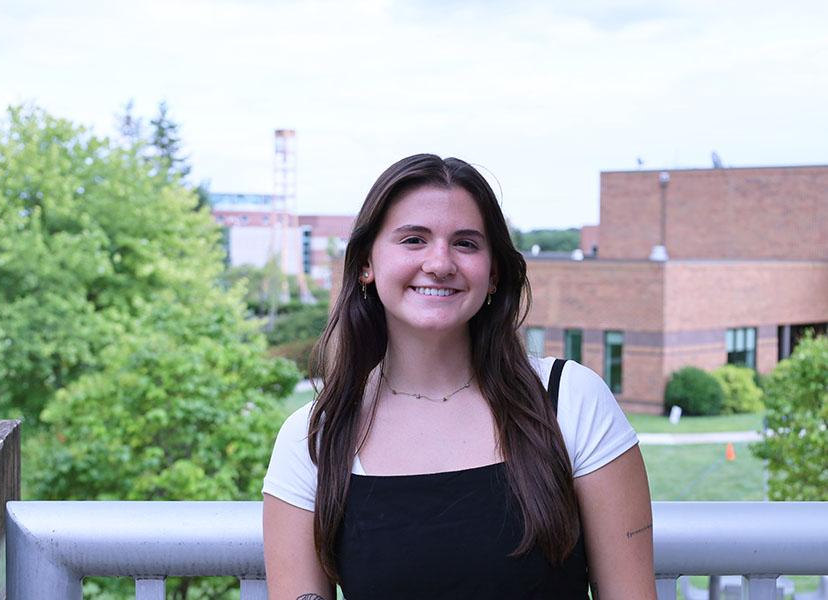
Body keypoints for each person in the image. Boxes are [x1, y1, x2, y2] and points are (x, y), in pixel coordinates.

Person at [262, 154, 655, 599]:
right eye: (413, 239)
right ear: (365, 266)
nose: (440, 263)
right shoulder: (313, 438)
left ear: (493, 275)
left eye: (466, 243)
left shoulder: (571, 401)